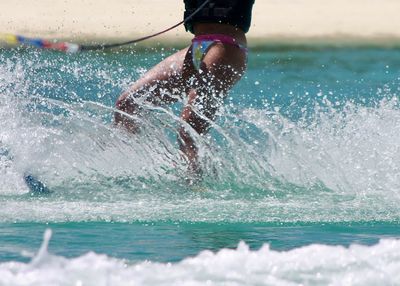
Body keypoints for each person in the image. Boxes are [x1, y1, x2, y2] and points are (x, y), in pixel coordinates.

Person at [115, 0, 255, 174]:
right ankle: (134, 173)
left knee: (190, 129)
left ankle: (194, 190)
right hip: (196, 47)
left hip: (225, 47)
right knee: (128, 104)